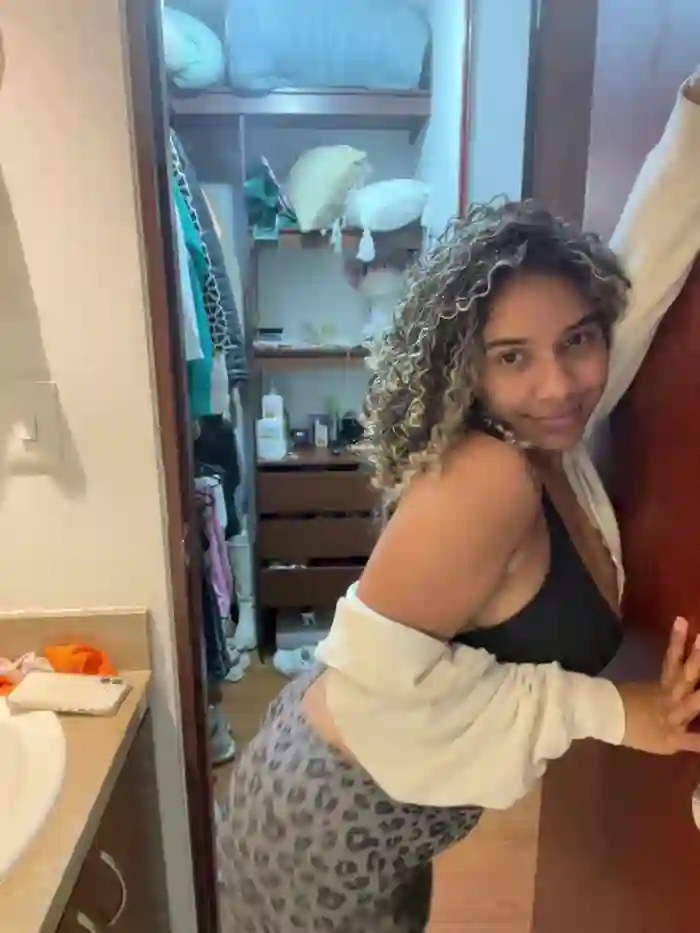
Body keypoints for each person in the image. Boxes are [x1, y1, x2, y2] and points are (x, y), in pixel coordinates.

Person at [218, 68, 700, 933]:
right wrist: (613, 712)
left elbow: (632, 283)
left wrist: (693, 124)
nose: (558, 384)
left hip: (382, 811)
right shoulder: (490, 475)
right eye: (512, 356)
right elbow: (380, 695)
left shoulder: (547, 435)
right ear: (465, 367)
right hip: (323, 827)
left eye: (578, 340)